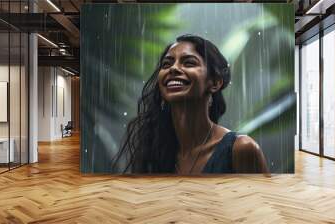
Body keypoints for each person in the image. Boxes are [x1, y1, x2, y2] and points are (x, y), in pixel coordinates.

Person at [112, 34, 268, 174]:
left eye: (188, 63)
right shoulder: (155, 151)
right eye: (166, 64)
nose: (173, 68)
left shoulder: (241, 149)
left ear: (215, 82)